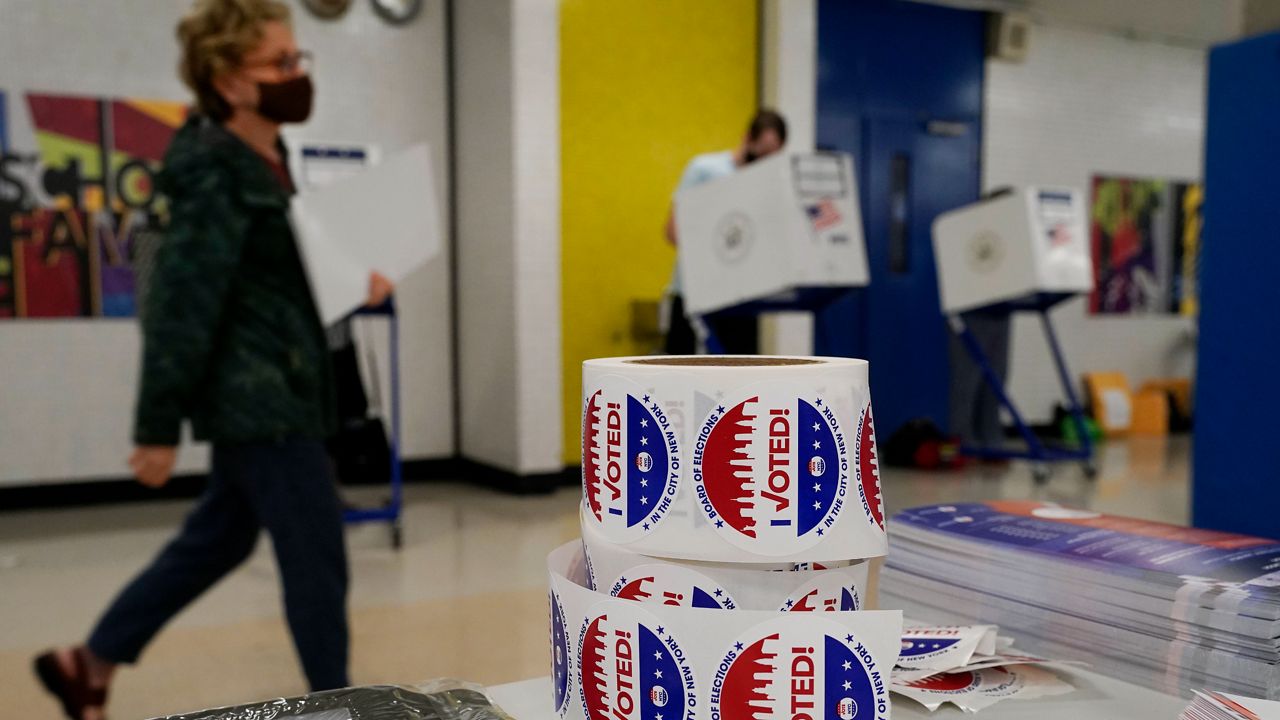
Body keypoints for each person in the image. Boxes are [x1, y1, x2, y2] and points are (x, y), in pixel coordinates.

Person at [33, 2, 392, 717]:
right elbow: (179, 304)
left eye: (299, 59)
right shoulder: (208, 171)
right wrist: (156, 426)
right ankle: (341, 705)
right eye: (280, 63)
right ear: (229, 83)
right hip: (260, 400)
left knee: (219, 539)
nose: (298, 75)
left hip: (282, 385)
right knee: (317, 562)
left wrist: (353, 280)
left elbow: (272, 279)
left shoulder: (268, 156)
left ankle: (88, 661)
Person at [662, 109, 788, 355]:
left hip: (740, 299)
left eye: (771, 157)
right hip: (693, 296)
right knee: (681, 376)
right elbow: (673, 231)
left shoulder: (765, 185)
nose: (763, 161)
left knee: (740, 378)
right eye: (761, 151)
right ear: (747, 138)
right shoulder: (706, 170)